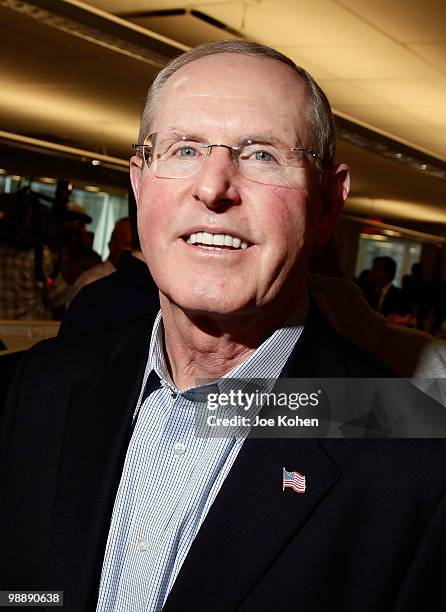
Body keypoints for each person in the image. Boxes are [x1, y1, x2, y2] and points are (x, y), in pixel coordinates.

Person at [1, 40, 446, 612]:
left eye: (262, 155)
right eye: (184, 149)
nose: (213, 188)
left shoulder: (411, 451)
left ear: (328, 206)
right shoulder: (43, 385)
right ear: (138, 184)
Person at [66, 217, 132, 304]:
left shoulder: (131, 283)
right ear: (111, 246)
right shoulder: (92, 282)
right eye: (128, 245)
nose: (135, 253)